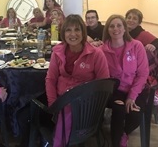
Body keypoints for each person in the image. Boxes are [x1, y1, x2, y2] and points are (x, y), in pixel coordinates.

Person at [45, 14, 110, 147]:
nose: (73, 34)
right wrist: (53, 105)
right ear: (63, 33)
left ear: (83, 32)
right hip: (62, 99)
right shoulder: (57, 52)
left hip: (87, 102)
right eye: (68, 30)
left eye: (77, 29)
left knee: (66, 113)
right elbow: (51, 79)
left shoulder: (96, 54)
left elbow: (104, 84)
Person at [101, 14, 149, 147]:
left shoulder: (136, 46)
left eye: (119, 25)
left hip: (135, 88)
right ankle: (116, 143)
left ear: (124, 28)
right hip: (114, 90)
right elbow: (102, 76)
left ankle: (124, 133)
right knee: (119, 109)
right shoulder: (102, 50)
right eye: (111, 26)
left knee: (135, 115)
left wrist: (132, 97)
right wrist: (111, 95)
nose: (115, 29)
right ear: (107, 30)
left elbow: (143, 73)